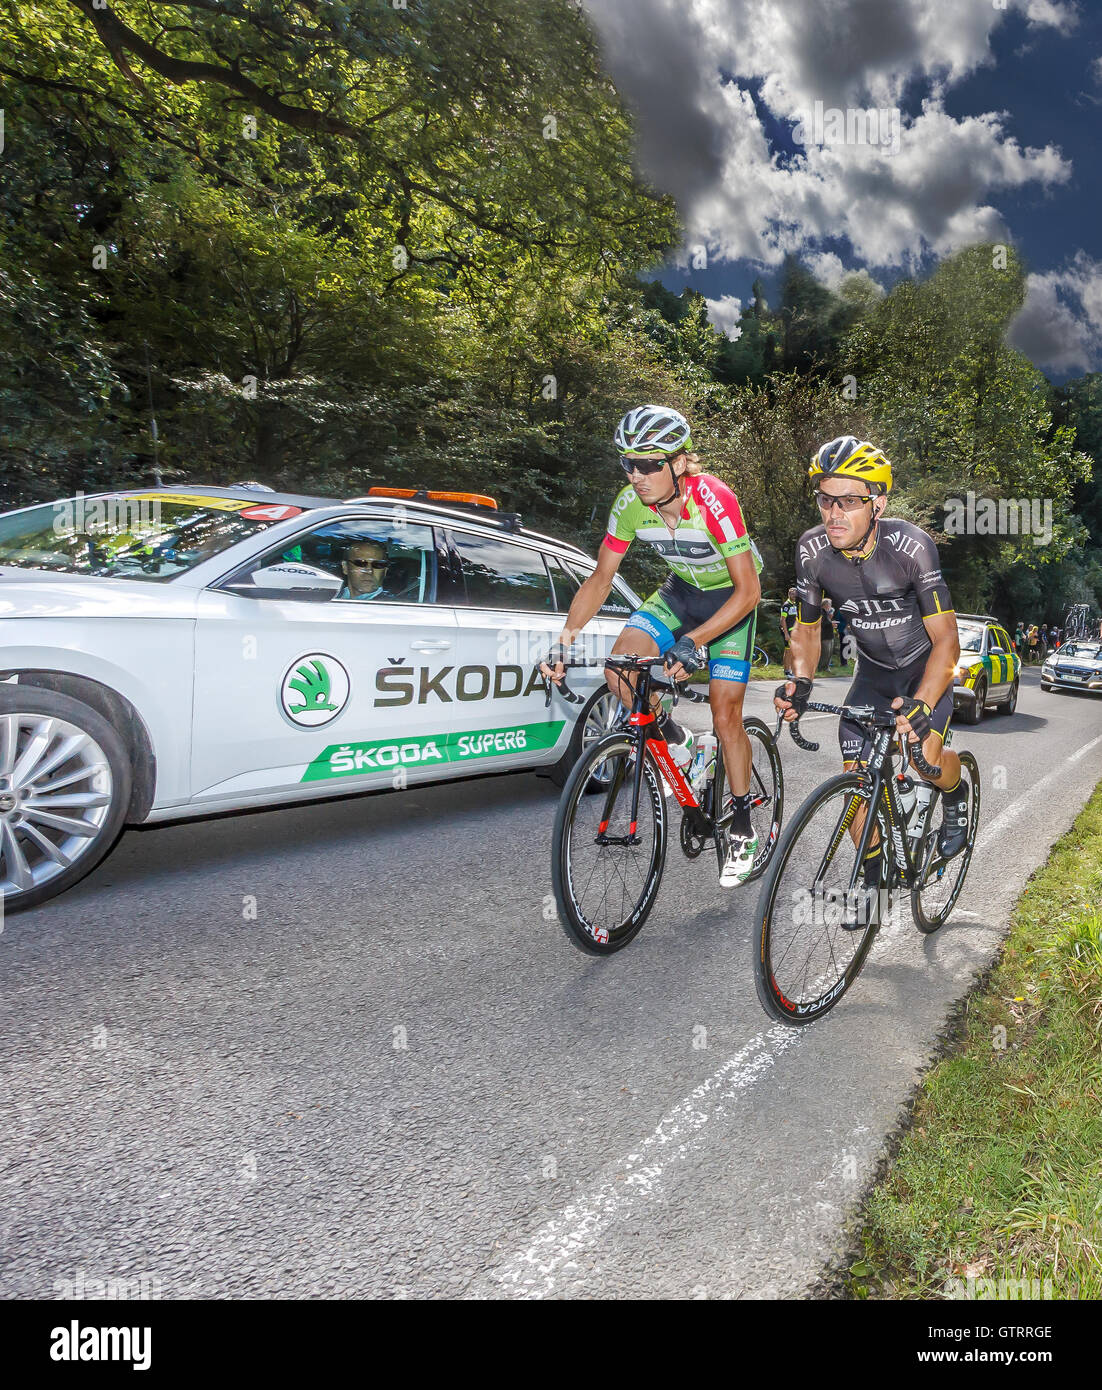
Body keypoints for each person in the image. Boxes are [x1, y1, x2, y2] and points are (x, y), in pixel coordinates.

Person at [542, 404, 762, 887]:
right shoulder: (629, 505)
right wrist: (563, 642)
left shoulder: (715, 500)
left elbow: (750, 592)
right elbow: (601, 578)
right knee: (620, 670)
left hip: (730, 605)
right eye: (628, 463)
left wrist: (694, 643)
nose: (636, 475)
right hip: (680, 594)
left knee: (726, 717)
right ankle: (679, 743)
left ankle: (744, 822)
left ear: (679, 462)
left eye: (648, 464)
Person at [774, 436, 966, 928]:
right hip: (874, 674)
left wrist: (923, 703)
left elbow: (947, 641)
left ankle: (956, 795)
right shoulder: (812, 551)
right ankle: (872, 880)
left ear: (878, 502)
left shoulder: (910, 547)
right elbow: (809, 630)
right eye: (825, 499)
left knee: (924, 760)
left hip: (924, 669)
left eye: (850, 500)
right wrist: (800, 681)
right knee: (859, 777)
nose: (834, 513)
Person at [780, 587, 798, 670]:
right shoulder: (787, 605)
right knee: (788, 651)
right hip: (788, 631)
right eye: (792, 593)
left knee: (791, 651)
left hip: (794, 631)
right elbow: (782, 619)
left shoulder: (795, 604)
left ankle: (789, 669)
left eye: (795, 594)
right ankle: (787, 670)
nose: (793, 595)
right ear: (789, 594)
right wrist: (786, 633)